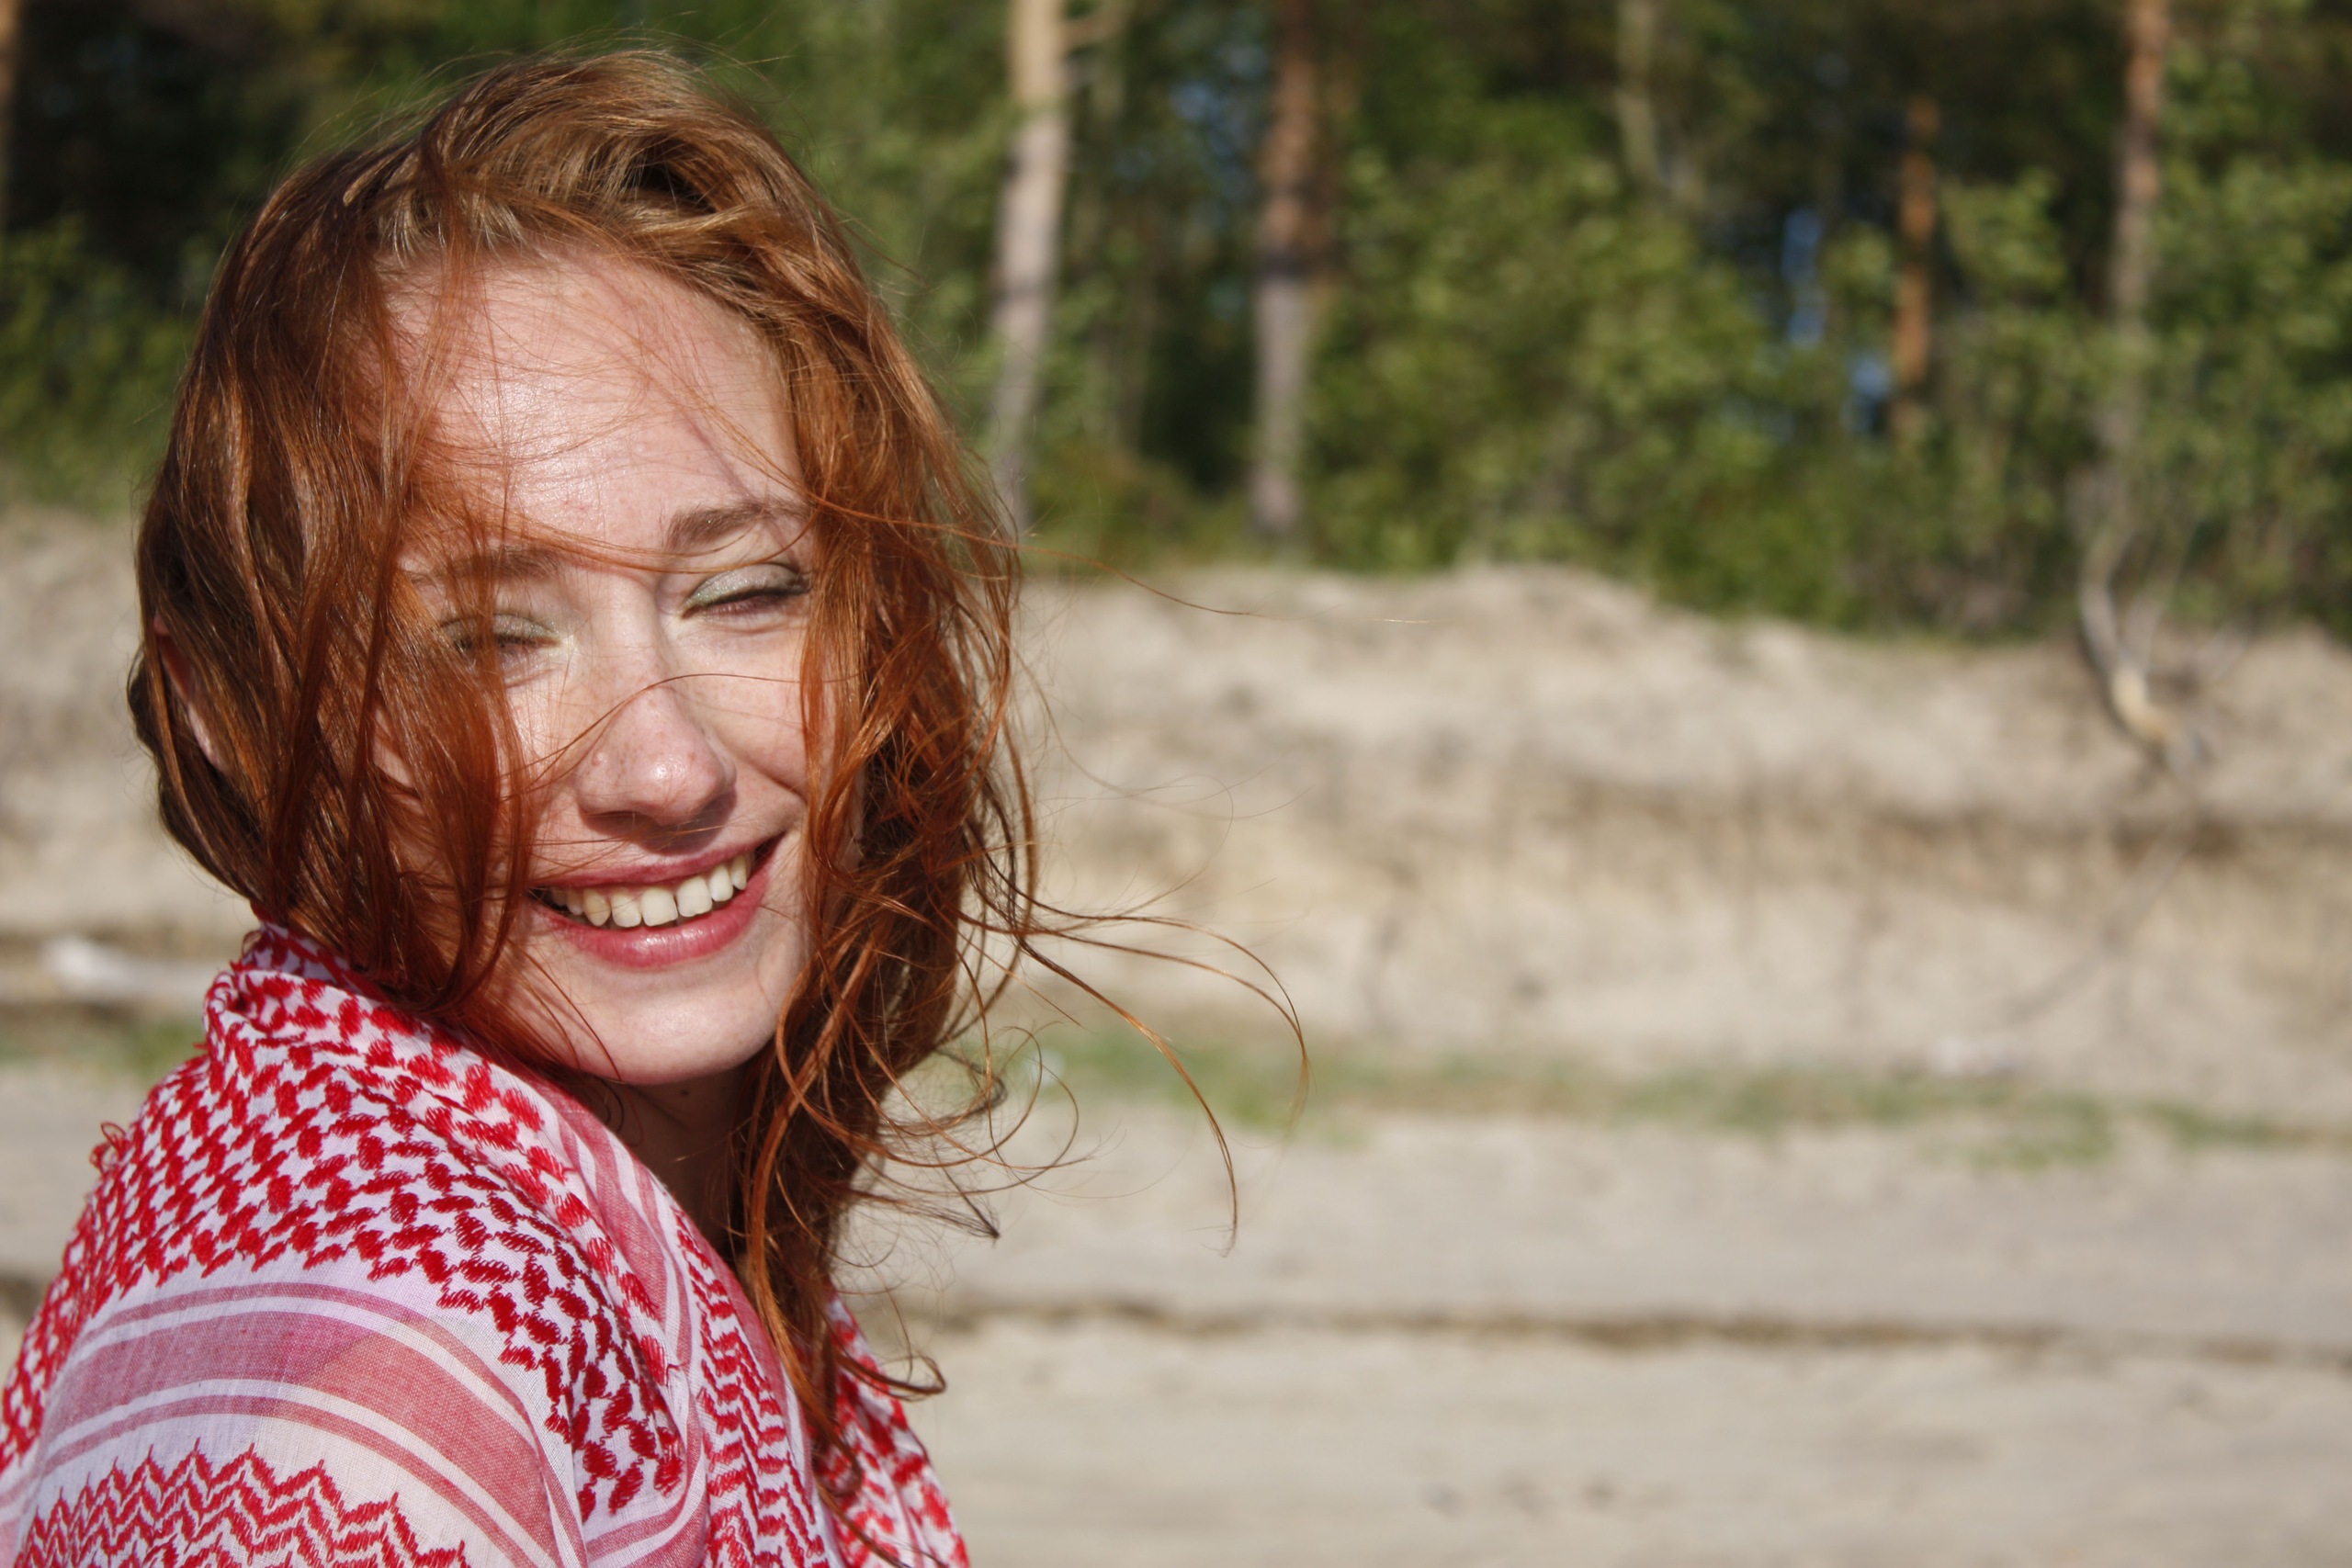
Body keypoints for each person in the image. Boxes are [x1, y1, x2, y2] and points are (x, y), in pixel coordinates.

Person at [0, 51, 1032, 1567]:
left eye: (746, 592)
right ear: (228, 704)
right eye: (489, 639)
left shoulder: (551, 1242)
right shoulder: (377, 1394)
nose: (667, 769)